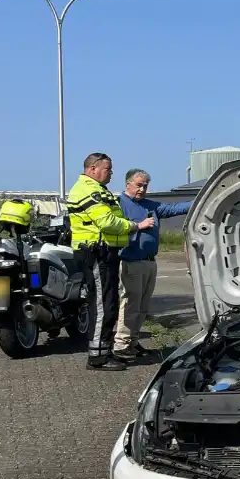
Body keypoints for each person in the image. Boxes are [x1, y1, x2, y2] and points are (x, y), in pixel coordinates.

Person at [66, 153, 154, 371]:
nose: (111, 174)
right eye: (108, 170)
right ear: (93, 168)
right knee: (102, 306)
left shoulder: (98, 190)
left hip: (106, 253)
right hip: (96, 253)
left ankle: (103, 353)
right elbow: (106, 222)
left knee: (110, 303)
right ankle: (97, 358)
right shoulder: (88, 190)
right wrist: (134, 226)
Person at [114, 168, 191, 359]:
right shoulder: (119, 204)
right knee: (130, 304)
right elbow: (114, 227)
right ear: (128, 184)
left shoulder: (150, 205)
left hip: (149, 261)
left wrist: (199, 201)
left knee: (142, 305)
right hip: (130, 260)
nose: (142, 189)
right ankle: (121, 345)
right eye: (138, 185)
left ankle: (133, 341)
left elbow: (174, 209)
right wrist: (139, 226)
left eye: (145, 186)